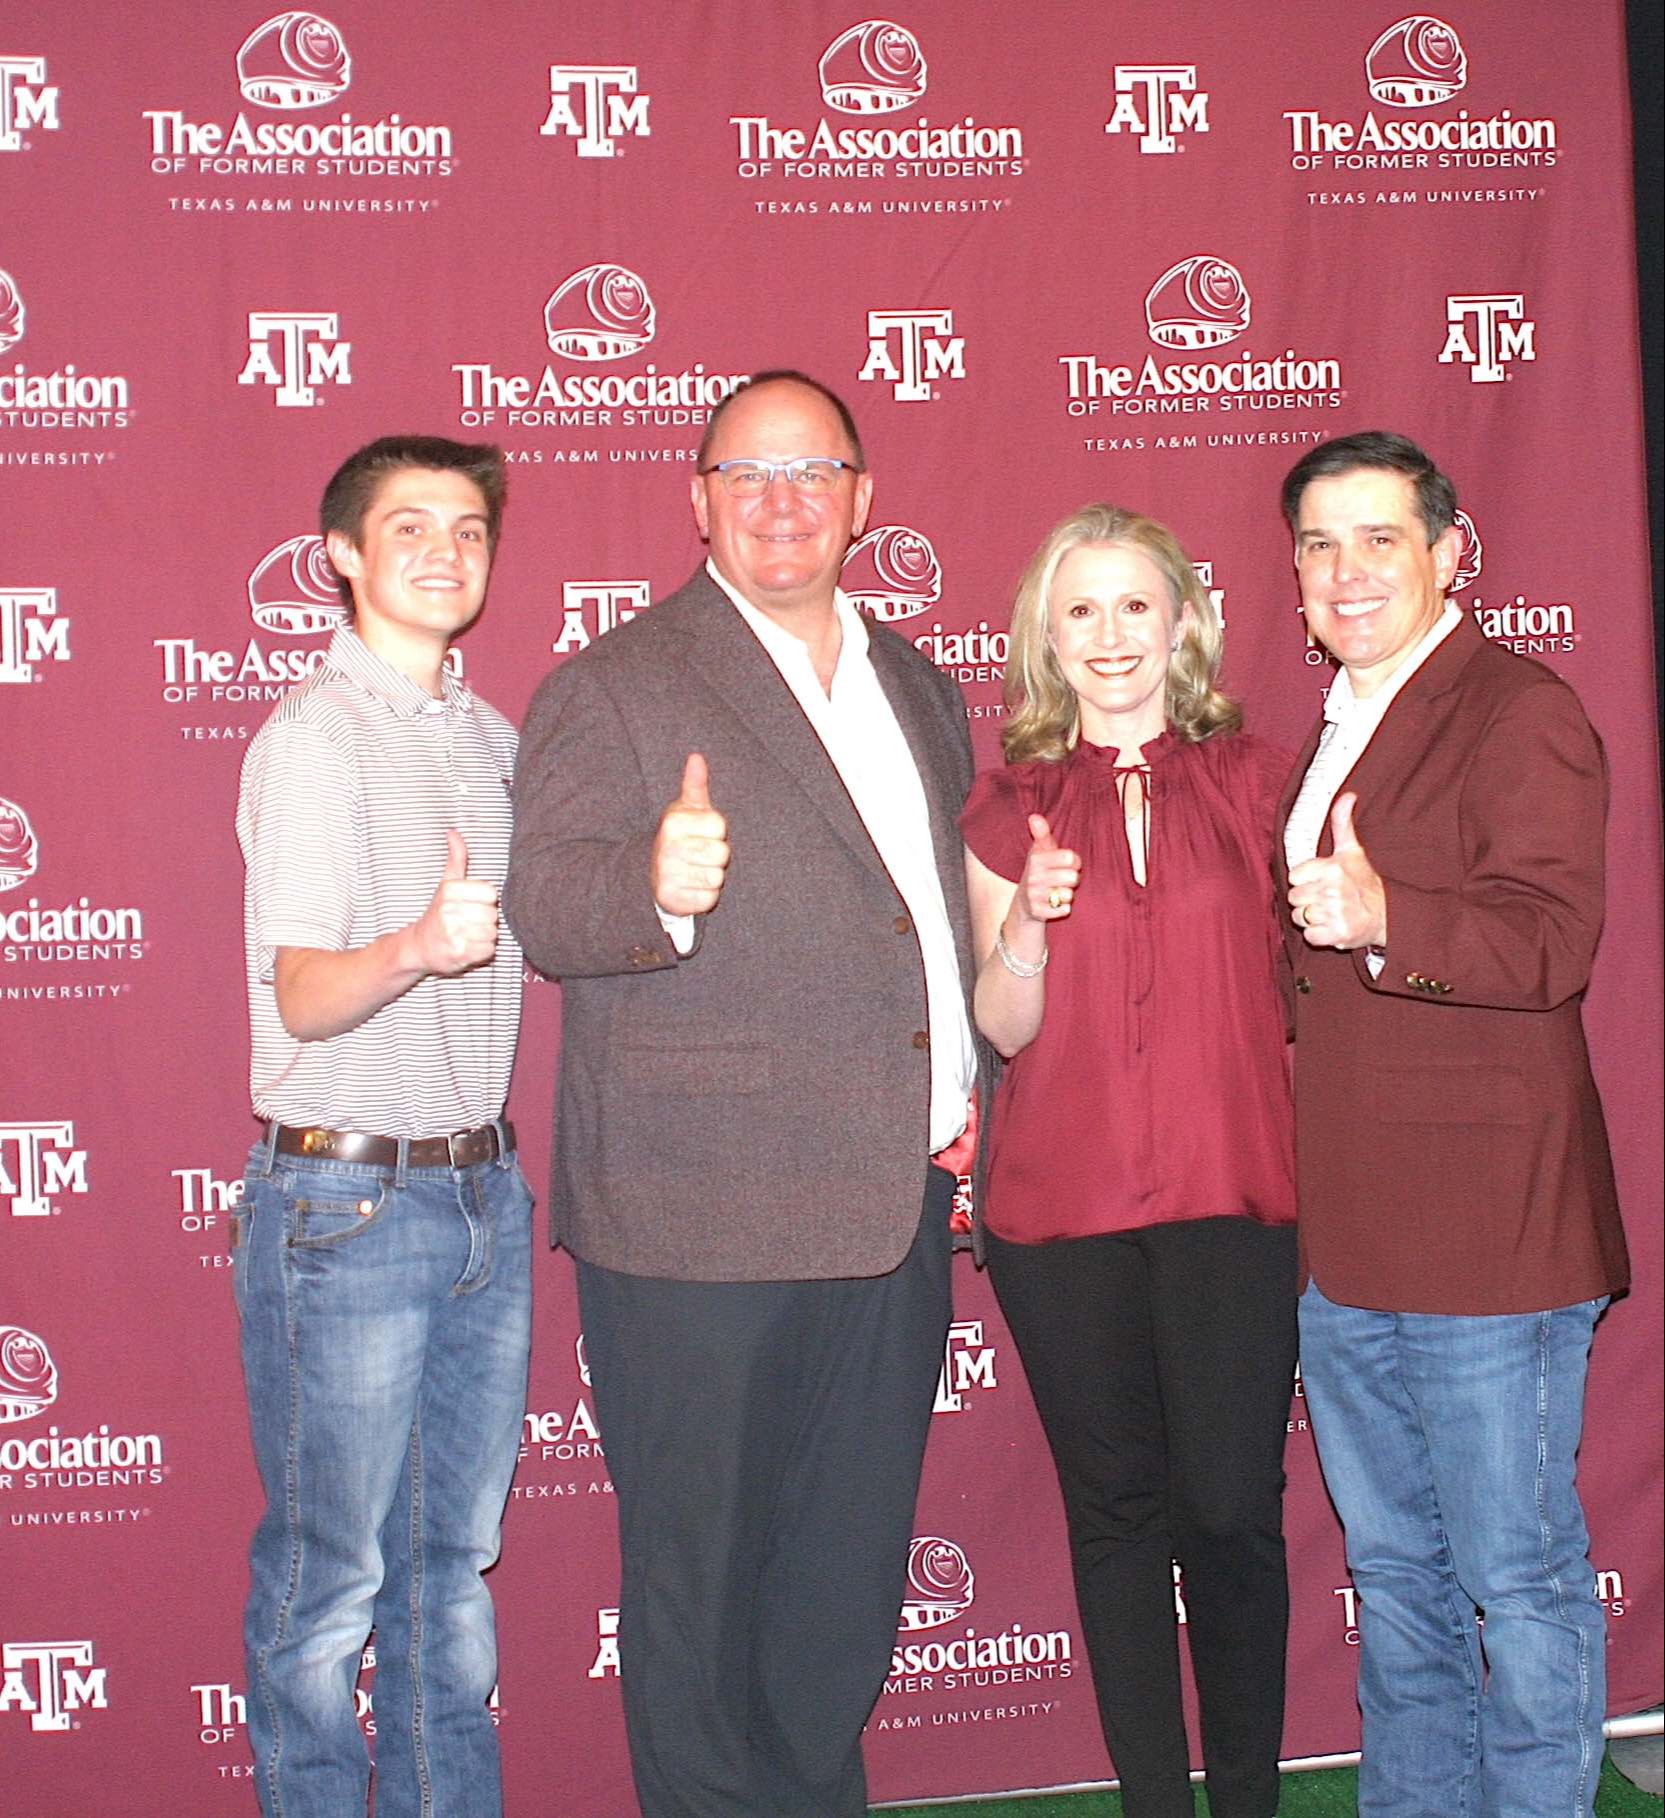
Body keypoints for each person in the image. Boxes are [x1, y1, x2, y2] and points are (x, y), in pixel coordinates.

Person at [504, 370, 984, 1818]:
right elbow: (545, 906)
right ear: (699, 501)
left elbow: (925, 922)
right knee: (701, 1588)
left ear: (863, 499)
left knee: (842, 1582)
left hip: (891, 1208)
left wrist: (967, 1082)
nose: (783, 501)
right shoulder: (613, 682)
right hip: (695, 1216)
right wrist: (653, 884)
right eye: (748, 474)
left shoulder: (920, 686)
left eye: (814, 471)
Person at [1276, 431, 1630, 1818]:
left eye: (1379, 538)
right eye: (1319, 544)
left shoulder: (1515, 708)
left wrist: (1387, 917)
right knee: (1397, 1578)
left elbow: (1550, 942)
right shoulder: (1336, 723)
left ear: (1448, 552)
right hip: (1347, 1239)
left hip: (1492, 1240)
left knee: (1516, 1578)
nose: (1347, 570)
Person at [960, 504, 1297, 1818]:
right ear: (1046, 639)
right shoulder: (1010, 803)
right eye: (1081, 611)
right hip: (1062, 1216)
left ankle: (1248, 1799)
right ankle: (1155, 1799)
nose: (1110, 636)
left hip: (1234, 1198)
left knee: (1230, 1514)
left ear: (1183, 623)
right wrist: (1028, 930)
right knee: (1116, 1520)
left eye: (1134, 606)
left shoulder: (1261, 780)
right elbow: (1002, 1026)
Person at [233, 436, 531, 1818]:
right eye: (407, 526)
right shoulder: (313, 738)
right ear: (342, 556)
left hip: (482, 1201)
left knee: (449, 1577)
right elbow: (300, 994)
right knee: (329, 1586)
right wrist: (416, 945)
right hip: (344, 1204)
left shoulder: (496, 742)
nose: (443, 551)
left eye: (467, 529)